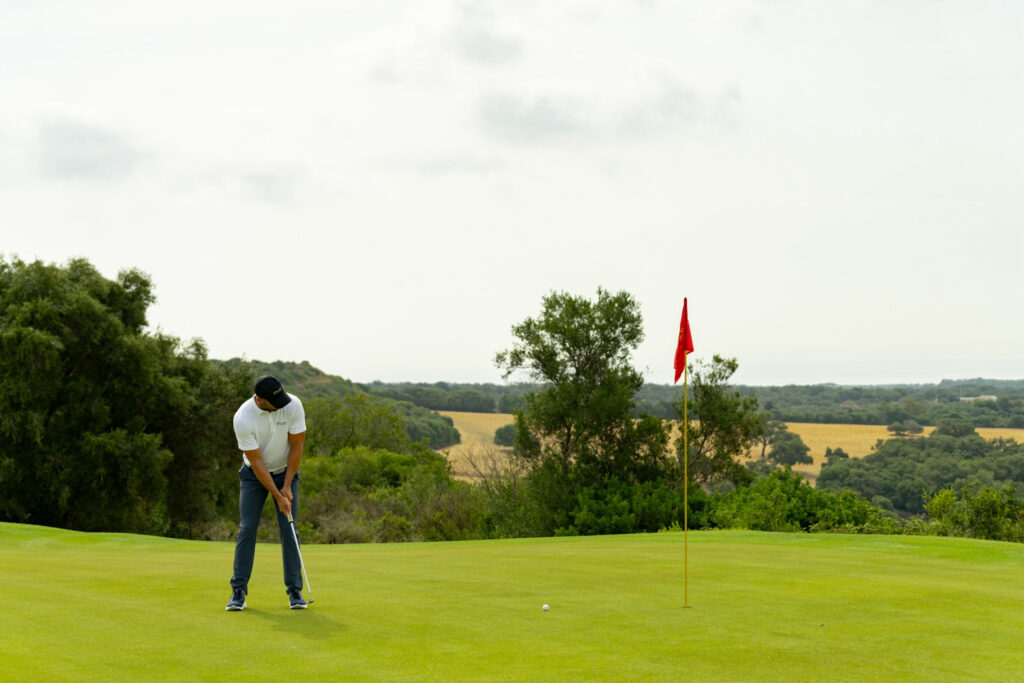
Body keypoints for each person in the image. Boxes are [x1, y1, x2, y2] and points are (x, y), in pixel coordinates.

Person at [226, 375, 307, 611]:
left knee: (289, 527)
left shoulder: (292, 404)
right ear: (260, 400)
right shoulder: (243, 418)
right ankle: (238, 591)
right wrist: (277, 494)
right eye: (276, 402)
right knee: (248, 527)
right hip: (254, 476)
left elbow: (297, 445)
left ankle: (295, 591)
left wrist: (287, 486)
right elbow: (257, 462)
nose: (283, 404)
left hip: (286, 473)